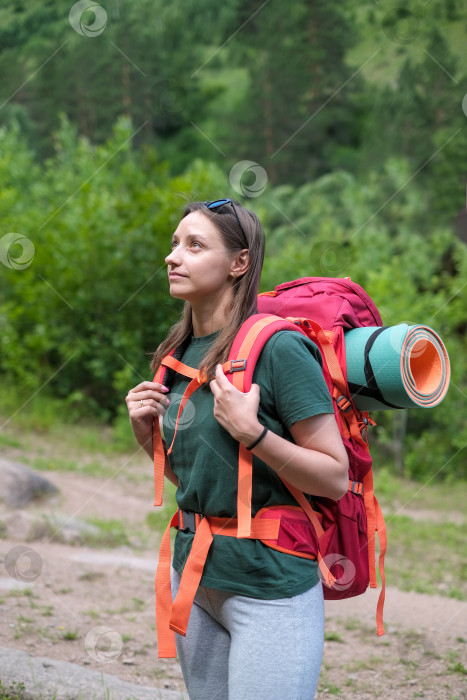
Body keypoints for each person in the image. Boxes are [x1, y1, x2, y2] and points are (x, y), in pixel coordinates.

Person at [125, 199, 349, 700]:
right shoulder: (177, 354)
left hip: (268, 587)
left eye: (194, 245)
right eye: (174, 244)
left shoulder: (279, 350)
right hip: (197, 578)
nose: (172, 257)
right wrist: (149, 439)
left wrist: (256, 434)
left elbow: (335, 476)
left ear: (239, 263)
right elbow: (206, 481)